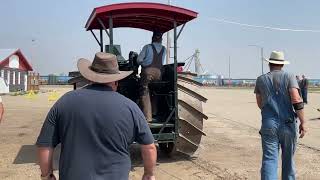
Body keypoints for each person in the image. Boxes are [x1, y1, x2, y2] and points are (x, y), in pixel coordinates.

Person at [36, 52, 157, 180]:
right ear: (116, 81)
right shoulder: (131, 108)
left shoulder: (64, 102)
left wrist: (47, 175)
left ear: (90, 78)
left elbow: (45, 145)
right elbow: (149, 147)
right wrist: (149, 174)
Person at [254, 51, 306, 180]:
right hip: (288, 124)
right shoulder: (289, 76)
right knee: (288, 160)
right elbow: (296, 100)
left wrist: (270, 112)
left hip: (269, 124)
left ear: (269, 64)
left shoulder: (261, 79)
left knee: (269, 159)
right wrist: (303, 121)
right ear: (282, 64)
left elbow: (260, 103)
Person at [137, 31, 166, 122]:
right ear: (161, 39)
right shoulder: (164, 49)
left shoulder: (147, 47)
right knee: (155, 90)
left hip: (148, 73)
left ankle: (147, 117)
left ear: (152, 38)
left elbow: (139, 60)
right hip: (159, 74)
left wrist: (143, 63)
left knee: (144, 90)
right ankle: (154, 112)